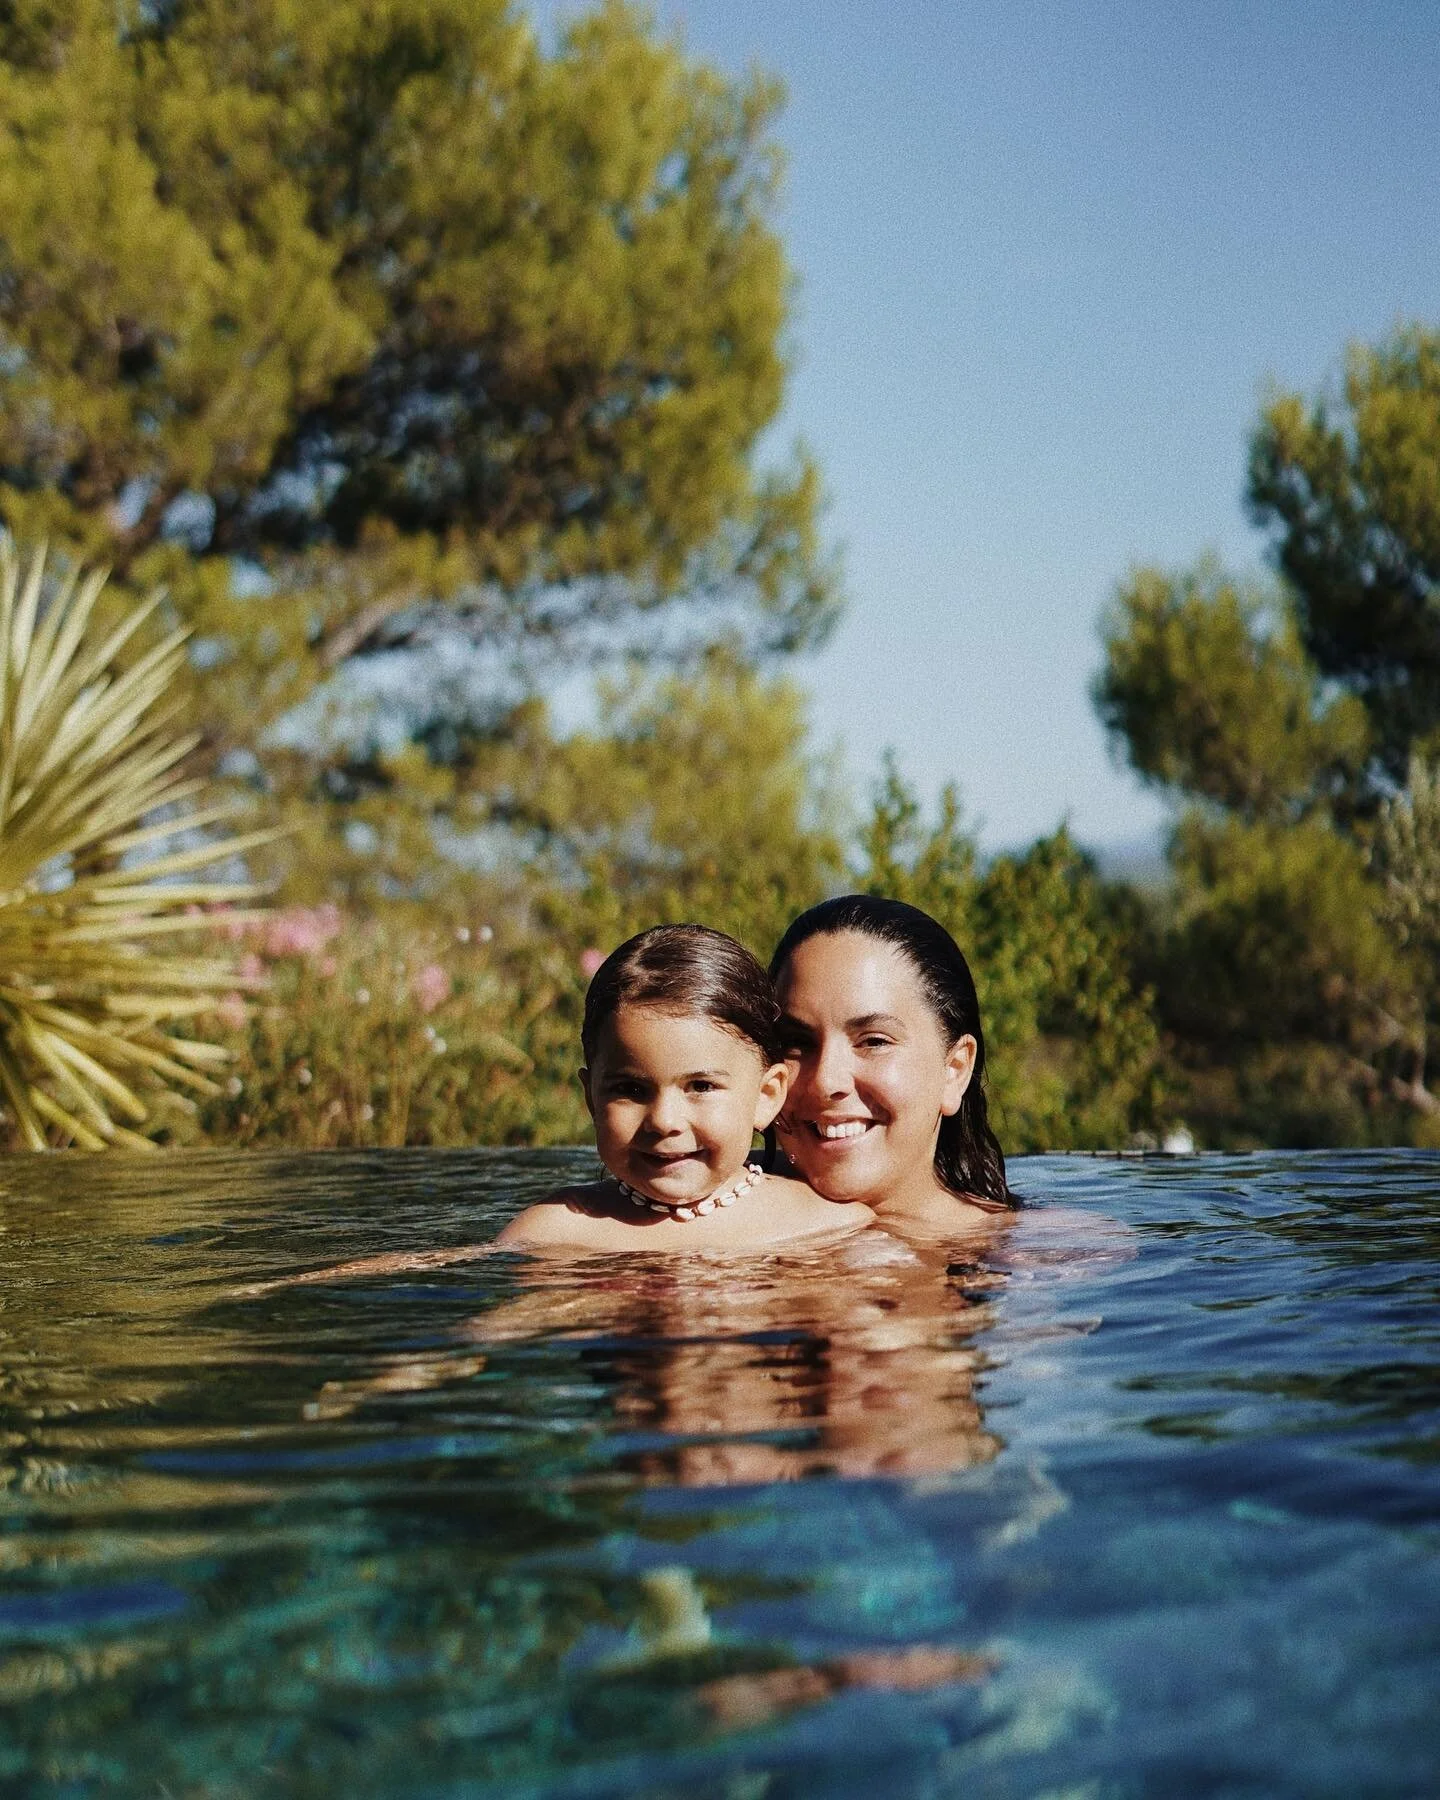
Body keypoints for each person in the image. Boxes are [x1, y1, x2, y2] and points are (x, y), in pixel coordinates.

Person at [496, 923, 872, 1254]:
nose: (663, 1121)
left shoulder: (829, 1227)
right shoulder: (554, 1232)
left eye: (701, 1086)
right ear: (592, 1098)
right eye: (631, 1088)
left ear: (765, 1096)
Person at [768, 894, 1015, 1240]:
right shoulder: (690, 1197)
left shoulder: (1034, 1258)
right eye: (797, 1043)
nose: (825, 1080)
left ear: (955, 1070)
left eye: (874, 1041)